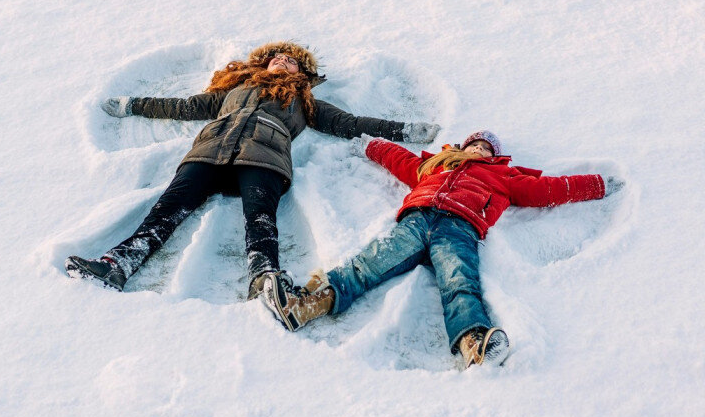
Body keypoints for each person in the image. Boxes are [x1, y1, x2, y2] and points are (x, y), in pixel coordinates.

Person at [65, 41, 441, 299]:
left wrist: (403, 130)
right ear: (264, 62)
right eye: (276, 57)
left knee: (260, 217)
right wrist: (132, 105)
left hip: (266, 155)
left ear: (303, 72)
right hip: (210, 149)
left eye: (291, 60)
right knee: (168, 208)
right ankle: (118, 264)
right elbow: (181, 106)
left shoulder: (304, 100)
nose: (282, 61)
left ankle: (264, 277)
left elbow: (351, 122)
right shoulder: (234, 90)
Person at [261, 130, 623, 368]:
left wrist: (596, 184)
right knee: (368, 263)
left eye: (487, 149)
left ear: (496, 157)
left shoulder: (506, 177)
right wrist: (370, 145)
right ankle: (306, 304)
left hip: (459, 228)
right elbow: (399, 159)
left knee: (459, 281)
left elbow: (550, 190)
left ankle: (473, 344)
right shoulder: (436, 165)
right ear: (463, 146)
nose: (479, 149)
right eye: (475, 144)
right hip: (416, 221)